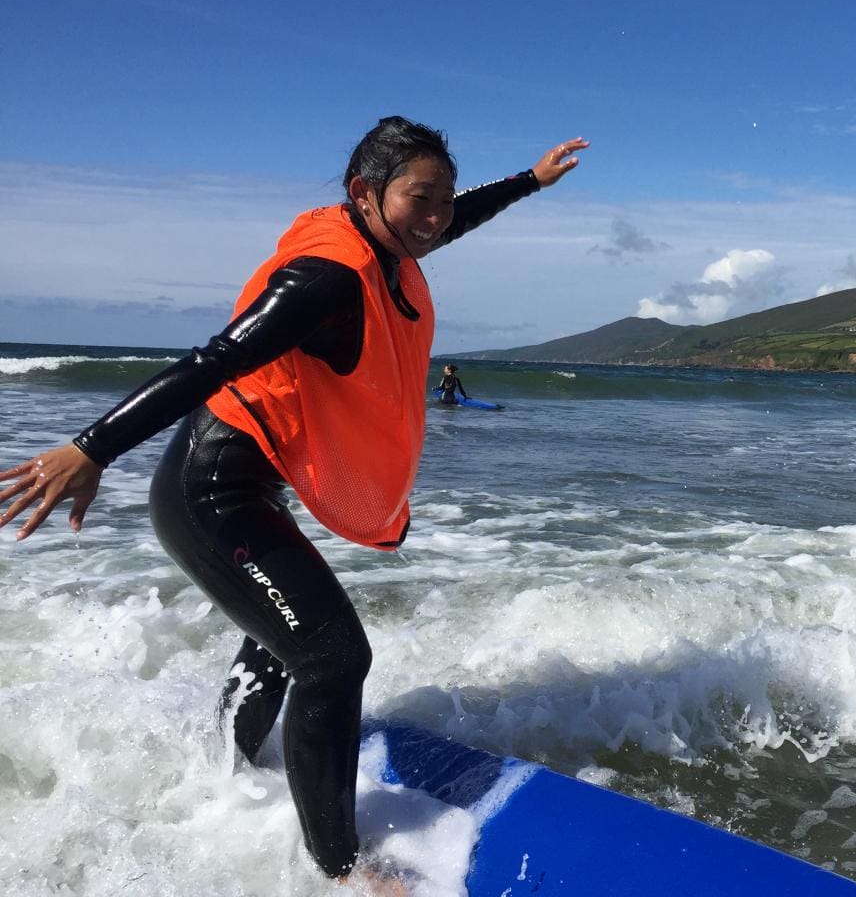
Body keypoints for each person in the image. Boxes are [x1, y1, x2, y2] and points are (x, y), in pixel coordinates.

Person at [0, 117, 588, 890]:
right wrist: (91, 447)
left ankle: (224, 771)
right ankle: (341, 868)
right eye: (423, 197)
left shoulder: (389, 240)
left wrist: (527, 183)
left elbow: (453, 220)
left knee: (286, 644)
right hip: (209, 490)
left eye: (445, 198)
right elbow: (216, 358)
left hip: (253, 481)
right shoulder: (328, 276)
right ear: (363, 194)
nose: (439, 215)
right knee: (334, 657)